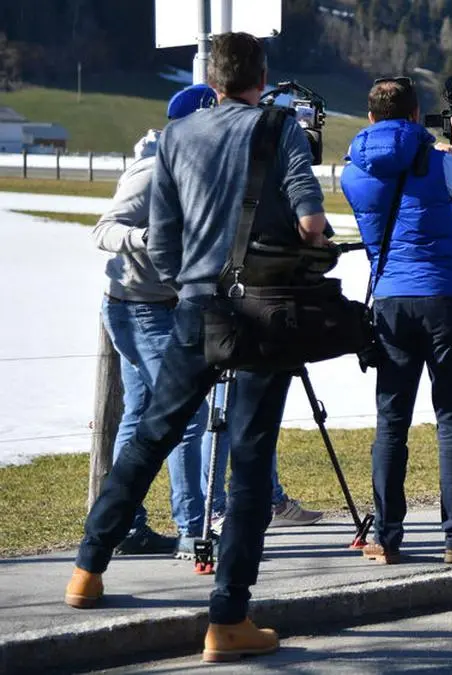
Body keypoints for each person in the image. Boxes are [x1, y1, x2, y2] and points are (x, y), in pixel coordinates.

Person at [64, 32, 331, 664]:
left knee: (153, 433)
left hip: (195, 305)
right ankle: (228, 617)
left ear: (213, 82)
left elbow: (161, 241)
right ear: (261, 77)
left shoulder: (177, 137)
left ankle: (87, 570)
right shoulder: (280, 127)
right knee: (248, 456)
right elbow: (312, 221)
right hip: (263, 310)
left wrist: (191, 277)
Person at [339, 76, 452, 566]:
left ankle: (386, 536)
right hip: (445, 297)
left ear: (369, 118)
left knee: (391, 421)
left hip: (389, 299)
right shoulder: (439, 159)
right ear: (413, 116)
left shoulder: (352, 171)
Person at [90, 84, 216, 559]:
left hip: (157, 303)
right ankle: (190, 530)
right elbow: (103, 230)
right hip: (138, 307)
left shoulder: (193, 168)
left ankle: (126, 526)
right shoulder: (149, 172)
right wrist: (151, 237)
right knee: (186, 415)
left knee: (140, 417)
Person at [196, 378, 323, 541]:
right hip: (231, 359)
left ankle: (274, 502)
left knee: (259, 420)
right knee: (222, 419)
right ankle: (214, 509)